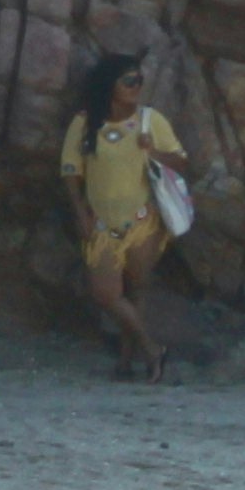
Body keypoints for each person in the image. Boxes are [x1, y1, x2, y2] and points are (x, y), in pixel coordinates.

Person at [59, 53, 191, 381]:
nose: (136, 87)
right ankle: (151, 349)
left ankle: (125, 363)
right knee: (106, 294)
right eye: (129, 81)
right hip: (102, 224)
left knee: (137, 292)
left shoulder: (151, 120)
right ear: (110, 85)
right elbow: (70, 171)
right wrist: (79, 213)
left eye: (139, 80)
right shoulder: (86, 122)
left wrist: (152, 150)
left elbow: (182, 163)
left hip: (143, 221)